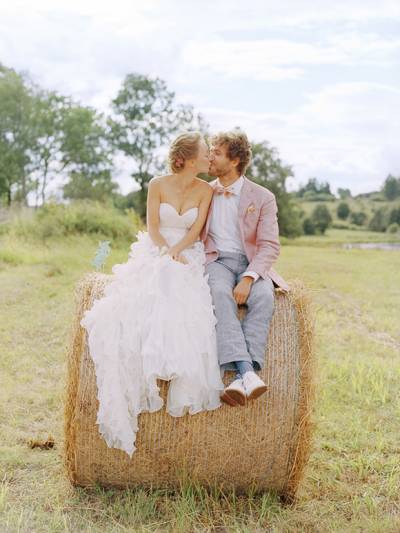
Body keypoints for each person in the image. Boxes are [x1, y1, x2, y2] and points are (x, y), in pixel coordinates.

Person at [80, 131, 224, 458]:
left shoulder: (206, 190)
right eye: (204, 152)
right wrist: (165, 252)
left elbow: (196, 230)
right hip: (157, 248)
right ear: (185, 159)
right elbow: (154, 227)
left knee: (178, 280)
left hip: (187, 249)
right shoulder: (157, 184)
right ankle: (152, 356)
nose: (209, 157)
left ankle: (170, 361)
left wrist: (177, 252)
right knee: (159, 277)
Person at [201, 129, 289, 407]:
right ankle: (248, 373)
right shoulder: (203, 192)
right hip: (217, 260)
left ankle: (240, 377)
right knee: (219, 293)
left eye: (216, 152)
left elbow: (269, 245)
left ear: (236, 159)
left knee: (263, 297)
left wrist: (250, 277)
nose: (210, 157)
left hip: (252, 263)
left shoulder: (263, 197)